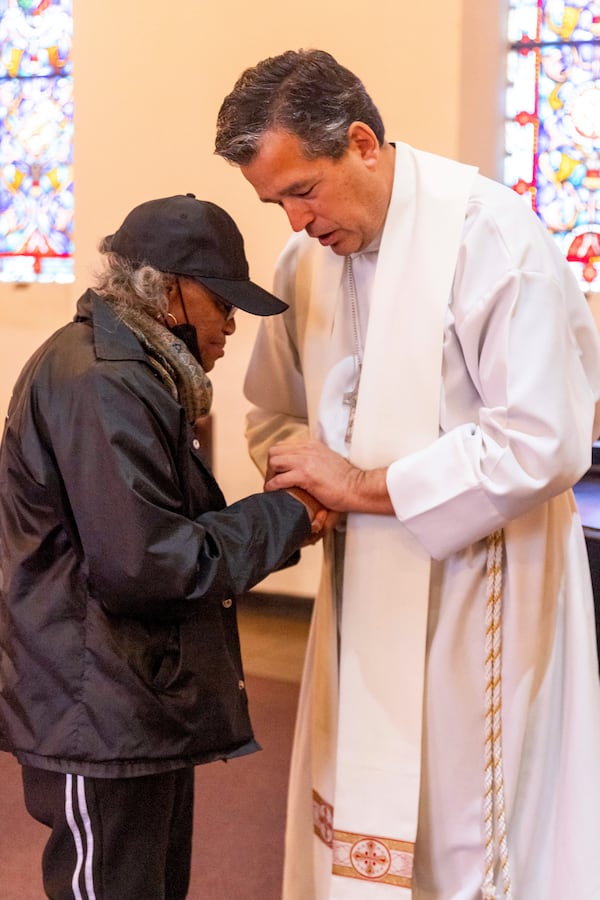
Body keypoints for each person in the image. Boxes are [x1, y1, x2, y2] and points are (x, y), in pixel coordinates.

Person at [215, 50, 600, 900]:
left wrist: (361, 486)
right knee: (365, 815)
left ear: (361, 142)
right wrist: (312, 478)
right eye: (275, 201)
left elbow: (543, 441)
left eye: (302, 190)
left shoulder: (490, 238)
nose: (294, 222)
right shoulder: (304, 266)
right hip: (367, 591)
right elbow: (273, 418)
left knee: (470, 826)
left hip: (482, 587)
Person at [0, 192, 327, 900]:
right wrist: (288, 515)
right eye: (224, 304)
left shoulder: (134, 371)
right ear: (171, 293)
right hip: (95, 711)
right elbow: (145, 565)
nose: (232, 326)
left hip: (128, 706)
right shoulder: (104, 381)